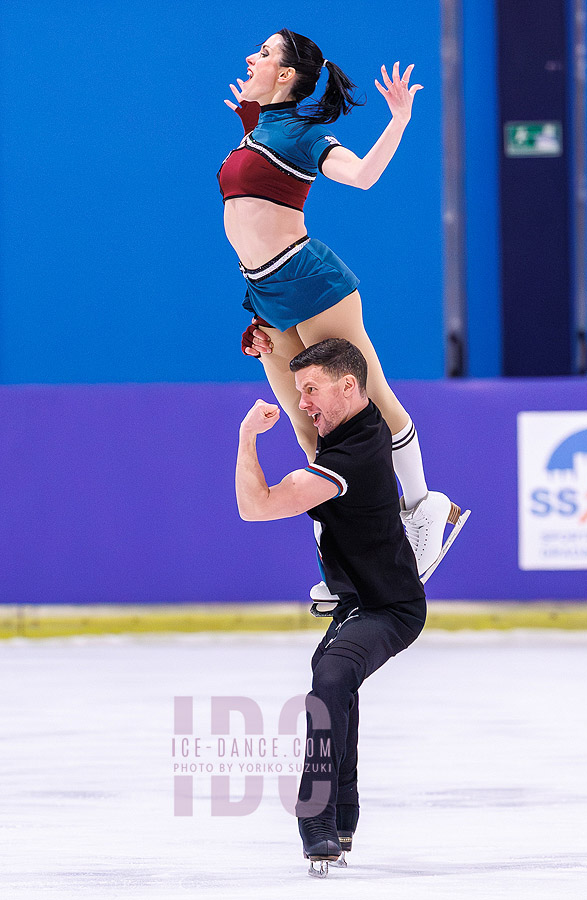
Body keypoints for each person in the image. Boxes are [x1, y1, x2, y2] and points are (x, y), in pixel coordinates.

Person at [220, 28, 467, 589]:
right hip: (264, 292)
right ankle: (343, 561)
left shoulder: (303, 133)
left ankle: (424, 507)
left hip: (312, 282)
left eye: (262, 53)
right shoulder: (261, 130)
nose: (250, 57)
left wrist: (398, 120)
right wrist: (250, 117)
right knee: (308, 428)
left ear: (286, 75)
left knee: (372, 396)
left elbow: (361, 176)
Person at [236, 339, 436, 876]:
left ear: (349, 386)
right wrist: (272, 351)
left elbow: (255, 508)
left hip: (389, 606)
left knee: (330, 678)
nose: (303, 402)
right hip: (356, 600)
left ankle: (318, 817)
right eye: (302, 392)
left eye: (312, 391)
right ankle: (341, 818)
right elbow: (301, 389)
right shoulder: (350, 423)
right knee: (332, 680)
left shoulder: (350, 456)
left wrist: (247, 438)